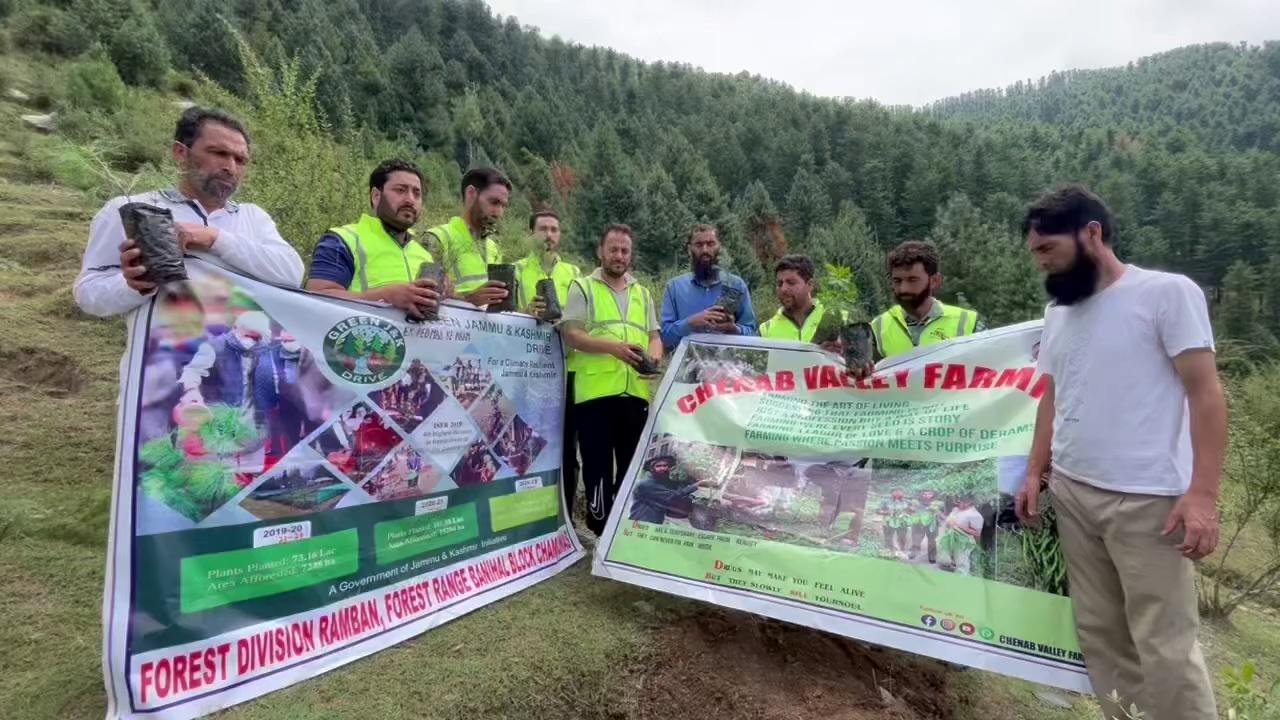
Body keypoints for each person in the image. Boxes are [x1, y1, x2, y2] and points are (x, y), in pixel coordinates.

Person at [1013, 185, 1225, 720]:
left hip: (1149, 500)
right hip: (1075, 494)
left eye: (1048, 250)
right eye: (1035, 253)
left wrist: (1202, 495)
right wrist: (1036, 471)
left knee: (1165, 644)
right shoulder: (1059, 312)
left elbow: (1205, 394)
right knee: (1102, 634)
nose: (1042, 263)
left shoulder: (1166, 293)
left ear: (1092, 233)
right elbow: (1052, 398)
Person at [75, 107, 304, 381]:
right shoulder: (132, 210)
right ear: (180, 152)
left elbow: (291, 274)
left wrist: (215, 239)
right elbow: (87, 293)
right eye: (218, 153)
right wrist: (132, 285)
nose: (230, 167)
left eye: (240, 159)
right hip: (156, 385)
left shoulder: (253, 217)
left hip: (241, 378)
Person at [560, 224, 663, 536]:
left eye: (625, 251)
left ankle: (626, 532)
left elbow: (654, 337)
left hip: (635, 392)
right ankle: (600, 529)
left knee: (633, 466)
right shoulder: (582, 287)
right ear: (600, 251)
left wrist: (654, 357)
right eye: (614, 249)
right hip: (595, 394)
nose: (619, 256)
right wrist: (614, 349)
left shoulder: (642, 293)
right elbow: (572, 334)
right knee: (597, 468)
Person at [305, 159, 442, 319]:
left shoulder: (423, 255)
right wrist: (385, 296)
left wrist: (445, 294)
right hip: (356, 341)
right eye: (400, 190)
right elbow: (316, 298)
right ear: (376, 196)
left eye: (416, 193)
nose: (410, 199)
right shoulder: (341, 240)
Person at [513, 209, 583, 514]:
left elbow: (583, 320)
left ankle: (564, 515)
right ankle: (528, 511)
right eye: (543, 229)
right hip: (527, 371)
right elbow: (501, 318)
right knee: (526, 441)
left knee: (567, 445)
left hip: (566, 369)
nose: (549, 235)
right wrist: (526, 312)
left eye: (555, 229)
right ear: (531, 234)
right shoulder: (516, 270)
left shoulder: (575, 274)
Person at [870, 241, 981, 360]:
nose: (903, 288)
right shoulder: (877, 328)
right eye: (897, 281)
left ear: (935, 280)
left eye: (912, 280)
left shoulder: (969, 324)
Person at [659, 224, 757, 352]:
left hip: (728, 368)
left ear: (719, 246)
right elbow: (664, 338)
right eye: (699, 245)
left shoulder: (736, 286)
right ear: (690, 249)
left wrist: (733, 328)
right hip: (686, 368)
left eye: (711, 244)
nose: (705, 250)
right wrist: (690, 323)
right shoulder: (674, 288)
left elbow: (752, 335)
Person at [424, 167, 511, 308]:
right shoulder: (437, 238)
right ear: (471, 194)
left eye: (503, 206)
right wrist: (469, 301)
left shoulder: (494, 249)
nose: (498, 213)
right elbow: (426, 302)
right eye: (494, 202)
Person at [758, 254, 843, 350]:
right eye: (779, 284)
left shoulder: (836, 318)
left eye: (791, 283)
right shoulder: (766, 330)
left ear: (810, 284)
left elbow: (860, 362)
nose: (783, 289)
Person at [628, 455, 716, 525]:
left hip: (654, 522)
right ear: (652, 469)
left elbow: (679, 487)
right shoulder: (646, 485)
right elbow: (673, 496)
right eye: (658, 466)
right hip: (640, 522)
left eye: (665, 465)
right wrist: (698, 484)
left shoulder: (662, 482)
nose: (662, 468)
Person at [937, 497, 984, 575]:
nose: (957, 503)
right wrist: (938, 513)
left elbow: (977, 533)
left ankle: (962, 578)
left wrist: (958, 525)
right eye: (957, 501)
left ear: (968, 502)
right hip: (950, 538)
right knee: (946, 557)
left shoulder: (975, 515)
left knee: (962, 563)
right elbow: (948, 520)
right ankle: (950, 567)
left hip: (963, 541)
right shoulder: (956, 510)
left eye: (960, 501)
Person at [910, 489, 945, 564]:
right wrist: (912, 509)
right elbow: (910, 512)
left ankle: (932, 556)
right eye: (924, 494)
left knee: (932, 541)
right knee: (916, 539)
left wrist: (936, 511)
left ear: (934, 494)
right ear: (921, 494)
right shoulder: (916, 502)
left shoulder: (939, 504)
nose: (927, 495)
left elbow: (943, 516)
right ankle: (914, 552)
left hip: (932, 524)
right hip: (919, 523)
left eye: (929, 494)